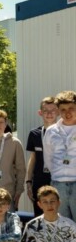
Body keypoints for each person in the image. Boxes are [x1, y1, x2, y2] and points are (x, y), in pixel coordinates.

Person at [43, 90, 76, 220]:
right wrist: (58, 174)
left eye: (71, 108)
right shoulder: (51, 131)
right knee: (62, 224)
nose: (67, 113)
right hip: (58, 184)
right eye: (63, 109)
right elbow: (48, 158)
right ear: (58, 111)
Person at [25, 97, 58, 217]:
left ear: (58, 112)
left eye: (53, 110)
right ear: (40, 113)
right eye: (45, 110)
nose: (49, 114)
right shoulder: (34, 134)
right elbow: (33, 158)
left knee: (58, 214)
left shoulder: (63, 133)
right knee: (40, 215)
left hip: (58, 180)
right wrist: (28, 181)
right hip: (39, 180)